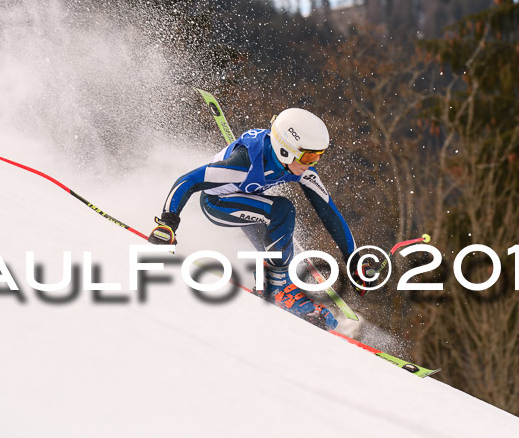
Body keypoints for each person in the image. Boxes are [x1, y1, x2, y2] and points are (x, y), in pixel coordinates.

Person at [149, 108, 367, 330]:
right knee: (282, 211)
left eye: (318, 156)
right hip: (218, 202)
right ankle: (278, 288)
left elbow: (328, 210)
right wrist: (168, 223)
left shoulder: (299, 167)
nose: (313, 163)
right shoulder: (243, 164)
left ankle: (272, 281)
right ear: (285, 151)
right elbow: (188, 181)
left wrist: (353, 259)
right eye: (309, 156)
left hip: (249, 197)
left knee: (278, 239)